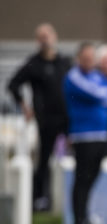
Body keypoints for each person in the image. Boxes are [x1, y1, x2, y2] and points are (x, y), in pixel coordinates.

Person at [7, 23, 71, 211]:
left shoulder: (64, 62)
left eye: (47, 36)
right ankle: (40, 198)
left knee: (69, 159)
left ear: (55, 37)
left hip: (67, 118)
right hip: (46, 120)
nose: (45, 41)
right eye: (41, 37)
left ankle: (65, 200)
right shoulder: (33, 63)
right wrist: (25, 107)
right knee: (44, 160)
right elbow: (13, 85)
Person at [63, 42, 107, 224]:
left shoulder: (96, 76)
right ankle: (78, 221)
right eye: (86, 58)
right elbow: (97, 94)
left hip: (101, 134)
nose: (89, 61)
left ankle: (85, 218)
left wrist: (105, 96)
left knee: (92, 178)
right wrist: (104, 96)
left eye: (91, 58)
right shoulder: (73, 77)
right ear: (78, 58)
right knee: (82, 179)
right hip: (83, 135)